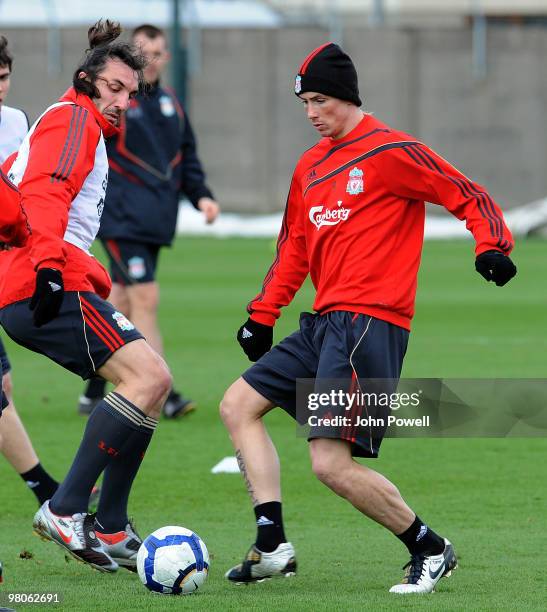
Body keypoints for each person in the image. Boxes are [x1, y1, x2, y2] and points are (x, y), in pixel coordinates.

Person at [220, 43, 517, 594]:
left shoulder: (392, 151)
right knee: (238, 404)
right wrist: (262, 316)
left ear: (350, 98)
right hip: (324, 323)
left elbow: (465, 193)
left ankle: (428, 547)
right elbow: (294, 248)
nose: (312, 112)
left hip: (369, 327)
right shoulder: (309, 166)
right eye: (306, 101)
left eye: (322, 99)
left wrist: (490, 246)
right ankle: (271, 545)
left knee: (330, 465)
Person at [0, 20, 172, 573]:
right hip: (44, 283)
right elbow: (43, 191)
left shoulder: (72, 123)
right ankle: (67, 507)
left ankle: (113, 523)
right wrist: (51, 267)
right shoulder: (74, 118)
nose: (123, 102)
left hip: (41, 278)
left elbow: (13, 188)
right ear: (86, 81)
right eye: (115, 89)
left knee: (147, 381)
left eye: (131, 93)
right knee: (149, 379)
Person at [78, 23, 220, 419]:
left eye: (157, 54)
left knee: (119, 298)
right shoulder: (119, 104)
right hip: (122, 218)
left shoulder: (171, 103)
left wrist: (202, 196)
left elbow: (186, 156)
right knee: (146, 298)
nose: (151, 61)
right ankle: (163, 391)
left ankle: (93, 386)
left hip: (157, 220)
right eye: (145, 53)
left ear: (165, 57)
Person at [0, 35, 63, 507]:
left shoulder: (17, 123)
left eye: (3, 78)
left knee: (3, 385)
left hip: (5, 266)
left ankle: (45, 490)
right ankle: (46, 490)